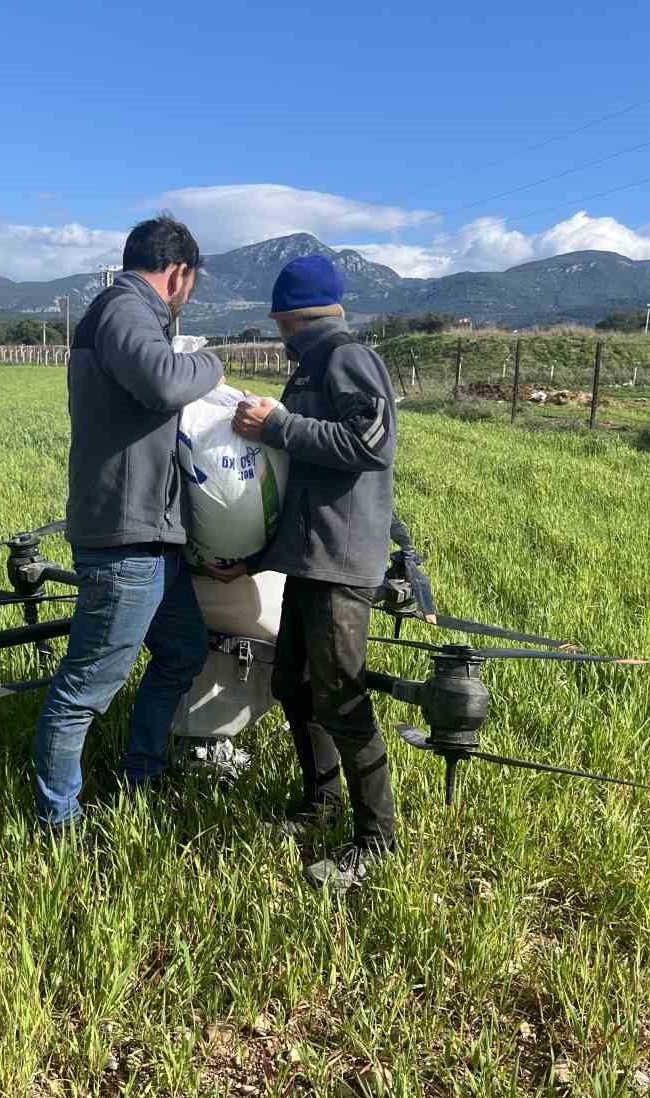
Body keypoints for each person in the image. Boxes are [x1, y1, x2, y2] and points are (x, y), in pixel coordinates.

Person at [31, 214, 226, 837]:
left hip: (151, 536)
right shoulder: (123, 308)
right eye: (191, 283)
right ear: (180, 274)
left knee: (182, 650)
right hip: (125, 537)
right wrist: (212, 363)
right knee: (86, 688)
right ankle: (58, 825)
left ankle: (141, 772)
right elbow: (163, 381)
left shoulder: (132, 312)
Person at [230, 254, 401, 895]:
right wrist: (250, 559)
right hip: (309, 559)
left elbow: (371, 444)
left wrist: (280, 423)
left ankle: (377, 843)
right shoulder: (312, 364)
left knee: (342, 697)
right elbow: (300, 482)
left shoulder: (345, 356)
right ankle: (322, 802)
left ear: (289, 316)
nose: (278, 334)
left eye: (278, 322)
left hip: (340, 563)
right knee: (293, 685)